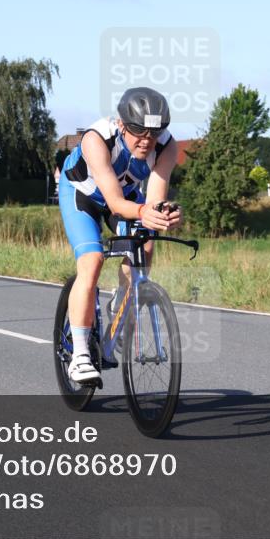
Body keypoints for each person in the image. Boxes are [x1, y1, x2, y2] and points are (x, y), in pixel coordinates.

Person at [58, 87, 182, 384]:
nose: (146, 141)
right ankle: (81, 355)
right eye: (139, 132)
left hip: (127, 198)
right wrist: (144, 212)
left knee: (146, 245)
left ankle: (121, 304)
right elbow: (114, 204)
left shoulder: (167, 148)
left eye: (154, 133)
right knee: (92, 260)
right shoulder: (97, 139)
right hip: (82, 196)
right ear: (122, 124)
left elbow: (153, 199)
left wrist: (166, 213)